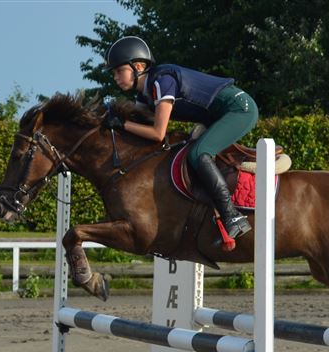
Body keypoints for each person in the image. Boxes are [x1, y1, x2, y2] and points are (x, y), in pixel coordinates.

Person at [105, 36, 257, 240]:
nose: (115, 77)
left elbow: (157, 133)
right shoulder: (143, 95)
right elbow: (140, 126)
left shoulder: (162, 81)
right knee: (187, 154)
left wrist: (122, 124)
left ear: (138, 66)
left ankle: (232, 216)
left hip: (238, 109)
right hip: (216, 117)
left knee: (198, 153)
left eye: (118, 71)